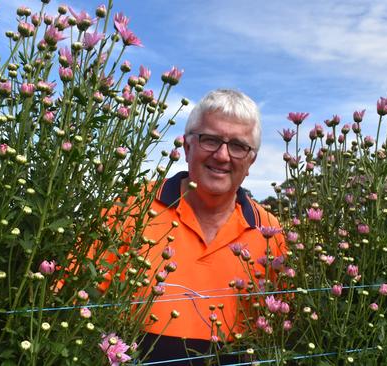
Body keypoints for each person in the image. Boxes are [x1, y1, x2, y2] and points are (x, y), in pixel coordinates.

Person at [99, 89, 284, 365]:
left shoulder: (270, 231)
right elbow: (75, 301)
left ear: (251, 160)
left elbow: (282, 323)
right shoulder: (129, 208)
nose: (222, 156)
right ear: (187, 147)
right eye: (210, 140)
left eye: (238, 146)